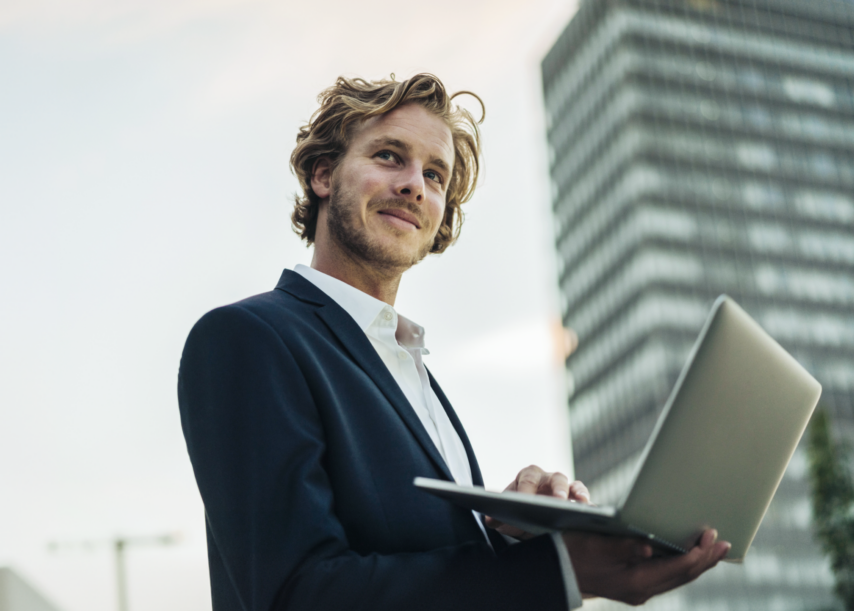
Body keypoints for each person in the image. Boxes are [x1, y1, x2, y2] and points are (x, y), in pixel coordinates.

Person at [177, 73, 730, 611]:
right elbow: (296, 594)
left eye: (436, 175)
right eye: (389, 156)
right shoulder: (250, 339)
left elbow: (433, 567)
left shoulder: (411, 369)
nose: (415, 184)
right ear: (324, 175)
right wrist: (560, 570)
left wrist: (513, 534)